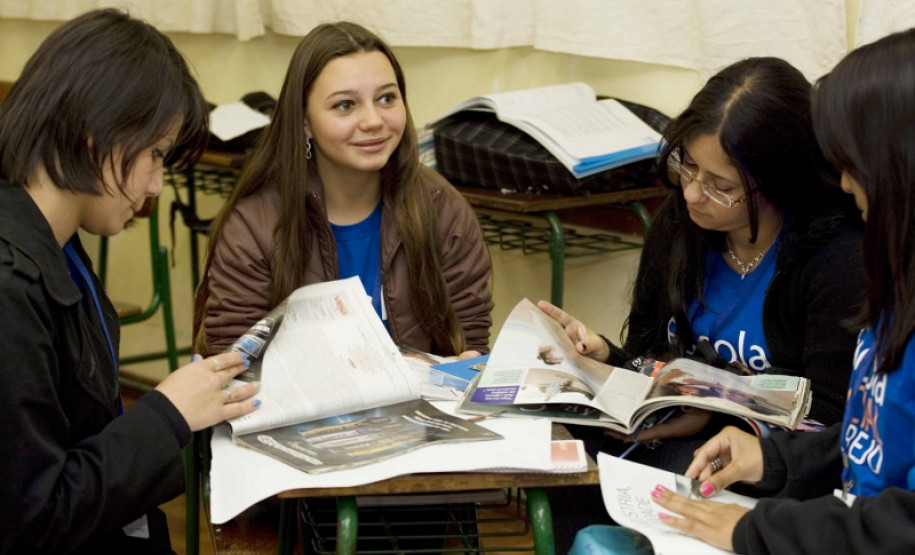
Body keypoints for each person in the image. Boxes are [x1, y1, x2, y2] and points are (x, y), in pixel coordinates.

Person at [644, 27, 915, 554]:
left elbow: (899, 523)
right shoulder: (897, 280)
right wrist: (774, 460)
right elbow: (863, 438)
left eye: (854, 164)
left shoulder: (842, 258)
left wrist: (753, 530)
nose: (845, 184)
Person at [0, 9, 261, 554]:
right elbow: (32, 520)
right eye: (156, 154)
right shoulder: (11, 285)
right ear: (98, 137)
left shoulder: (56, 242)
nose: (157, 185)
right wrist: (167, 415)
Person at [540, 56, 865, 471]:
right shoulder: (681, 225)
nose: (692, 194)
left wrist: (713, 414)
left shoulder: (837, 257)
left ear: (780, 181)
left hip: (763, 464)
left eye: (721, 186)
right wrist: (605, 357)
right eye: (688, 166)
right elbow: (654, 369)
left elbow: (830, 420)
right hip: (666, 442)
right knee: (553, 438)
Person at [194, 21, 493, 359]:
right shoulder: (253, 226)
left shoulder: (442, 208)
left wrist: (467, 362)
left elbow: (467, 342)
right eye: (345, 105)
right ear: (305, 122)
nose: (373, 121)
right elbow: (235, 363)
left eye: (386, 98)